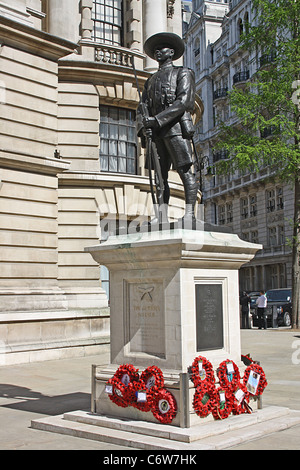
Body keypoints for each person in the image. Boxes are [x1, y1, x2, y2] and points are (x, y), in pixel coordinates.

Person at [137, 32, 199, 226]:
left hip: (175, 129)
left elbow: (184, 102)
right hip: (155, 134)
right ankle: (161, 216)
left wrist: (157, 119)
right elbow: (142, 106)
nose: (157, 52)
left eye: (161, 48)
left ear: (171, 52)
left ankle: (190, 215)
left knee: (185, 172)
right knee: (159, 178)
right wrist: (144, 124)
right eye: (155, 50)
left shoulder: (183, 73)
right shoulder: (150, 80)